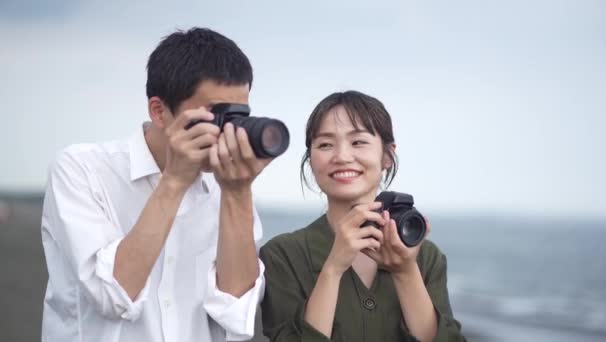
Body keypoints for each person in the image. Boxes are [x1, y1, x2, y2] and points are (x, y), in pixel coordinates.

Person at [41, 27, 274, 342]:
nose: (227, 132)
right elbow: (113, 295)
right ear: (159, 111)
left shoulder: (228, 189)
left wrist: (237, 192)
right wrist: (176, 180)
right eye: (217, 115)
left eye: (238, 116)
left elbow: (236, 315)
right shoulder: (82, 170)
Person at [260, 91, 466, 341]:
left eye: (358, 142)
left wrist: (404, 271)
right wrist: (333, 268)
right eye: (325, 144)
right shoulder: (282, 255)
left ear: (388, 155)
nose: (342, 157)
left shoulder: (425, 257)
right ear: (311, 160)